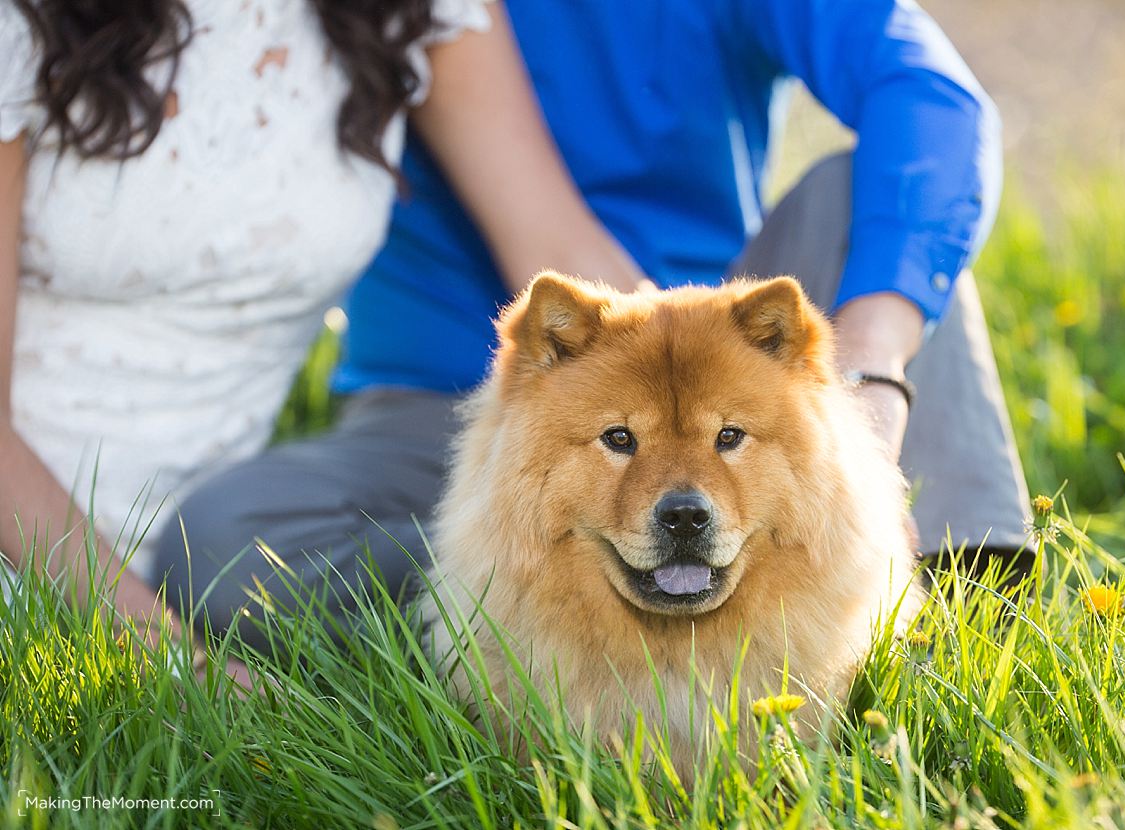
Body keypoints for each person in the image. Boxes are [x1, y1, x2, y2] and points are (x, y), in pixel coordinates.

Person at [159, 0, 1034, 646]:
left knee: (870, 192)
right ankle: (523, 604)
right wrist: (518, 522)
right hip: (430, 400)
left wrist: (870, 375)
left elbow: (928, 93)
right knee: (226, 541)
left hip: (714, 362)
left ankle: (957, 608)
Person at [0, 0, 648, 684]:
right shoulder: (24, 22)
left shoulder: (410, 13)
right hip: (27, 532)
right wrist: (172, 662)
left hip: (220, 531)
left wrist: (695, 424)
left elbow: (553, 241)